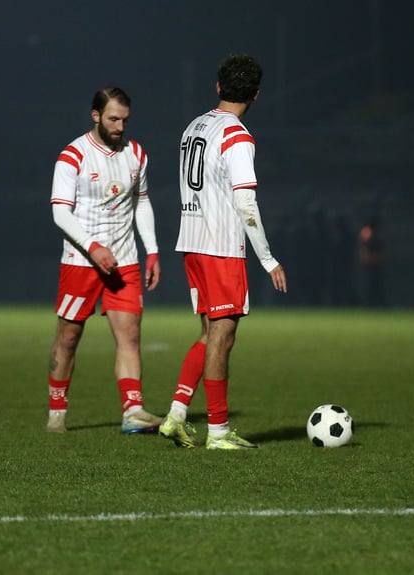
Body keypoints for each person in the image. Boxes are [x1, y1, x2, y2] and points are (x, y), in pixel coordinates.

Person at [158, 54, 287, 450]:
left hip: (192, 241)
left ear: (218, 87)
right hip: (220, 247)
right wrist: (268, 259)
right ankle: (217, 431)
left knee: (207, 332)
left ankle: (177, 416)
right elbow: (245, 204)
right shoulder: (238, 136)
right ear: (256, 95)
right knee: (223, 337)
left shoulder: (194, 126)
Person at [46, 86, 164, 434]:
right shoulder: (73, 156)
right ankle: (57, 414)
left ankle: (133, 412)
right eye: (113, 119)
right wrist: (92, 246)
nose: (120, 126)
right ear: (96, 116)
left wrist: (152, 249)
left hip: (125, 260)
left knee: (130, 335)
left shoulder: (136, 154)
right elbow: (60, 213)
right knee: (68, 338)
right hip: (81, 261)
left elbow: (141, 202)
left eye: (125, 119)